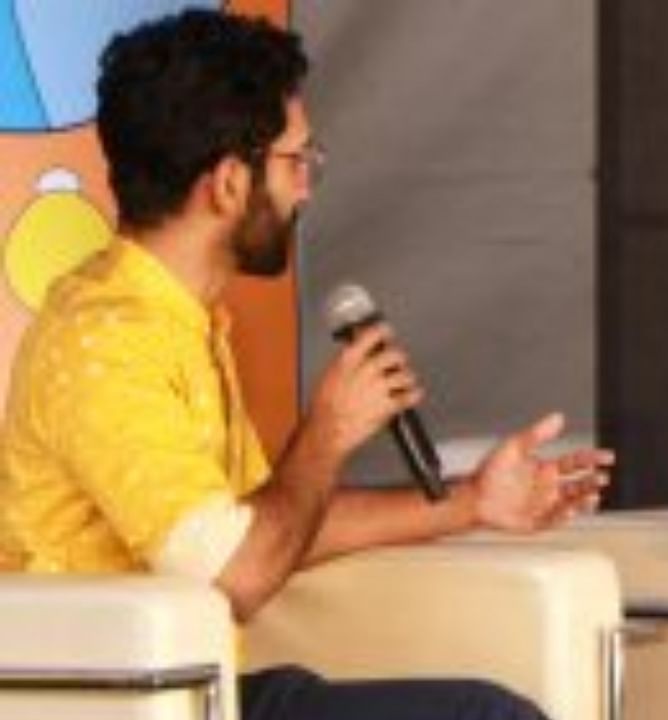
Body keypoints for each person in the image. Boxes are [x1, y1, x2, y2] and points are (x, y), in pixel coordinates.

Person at [0, 10, 612, 720]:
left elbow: (268, 528)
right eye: (298, 162)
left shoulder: (174, 321)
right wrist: (328, 430)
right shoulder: (107, 342)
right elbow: (242, 572)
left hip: (194, 694)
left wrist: (474, 502)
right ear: (228, 183)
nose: (308, 190)